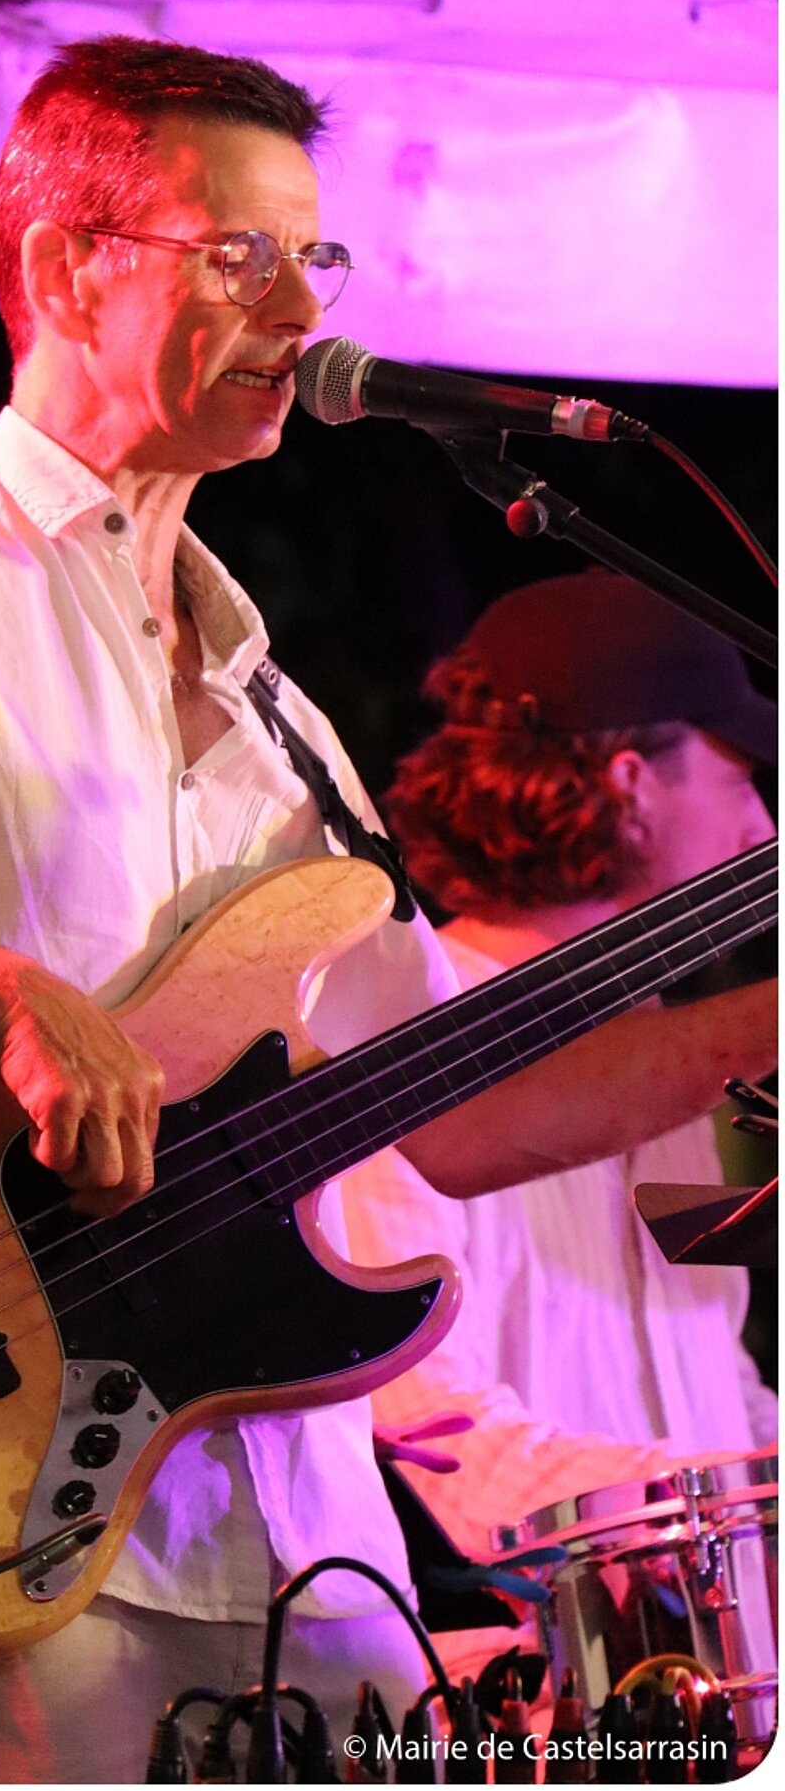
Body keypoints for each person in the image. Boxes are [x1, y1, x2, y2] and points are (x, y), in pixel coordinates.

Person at [0, 38, 776, 1783]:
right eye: (238, 253)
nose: (300, 306)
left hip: (302, 1552)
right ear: (63, 269)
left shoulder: (280, 714)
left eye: (313, 257)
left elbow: (467, 1114)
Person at [341, 570, 776, 1682]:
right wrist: (695, 1514)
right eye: (740, 780)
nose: (762, 828)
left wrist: (753, 1479)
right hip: (547, 1681)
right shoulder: (406, 1026)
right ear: (630, 780)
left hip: (714, 1658)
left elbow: (710, 1368)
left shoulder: (665, 1052)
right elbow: (433, 1416)